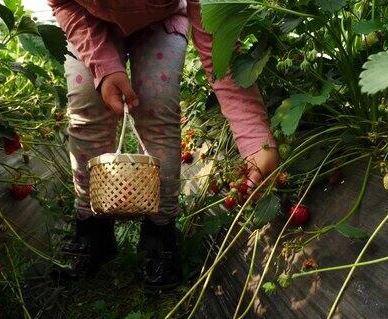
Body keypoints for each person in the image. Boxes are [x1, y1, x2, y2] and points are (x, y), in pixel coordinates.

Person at [47, 0, 279, 288]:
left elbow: (219, 49)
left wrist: (256, 141)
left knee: (157, 103)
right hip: (88, 19)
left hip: (162, 21)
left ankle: (160, 233)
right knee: (87, 101)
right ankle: (91, 229)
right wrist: (103, 65)